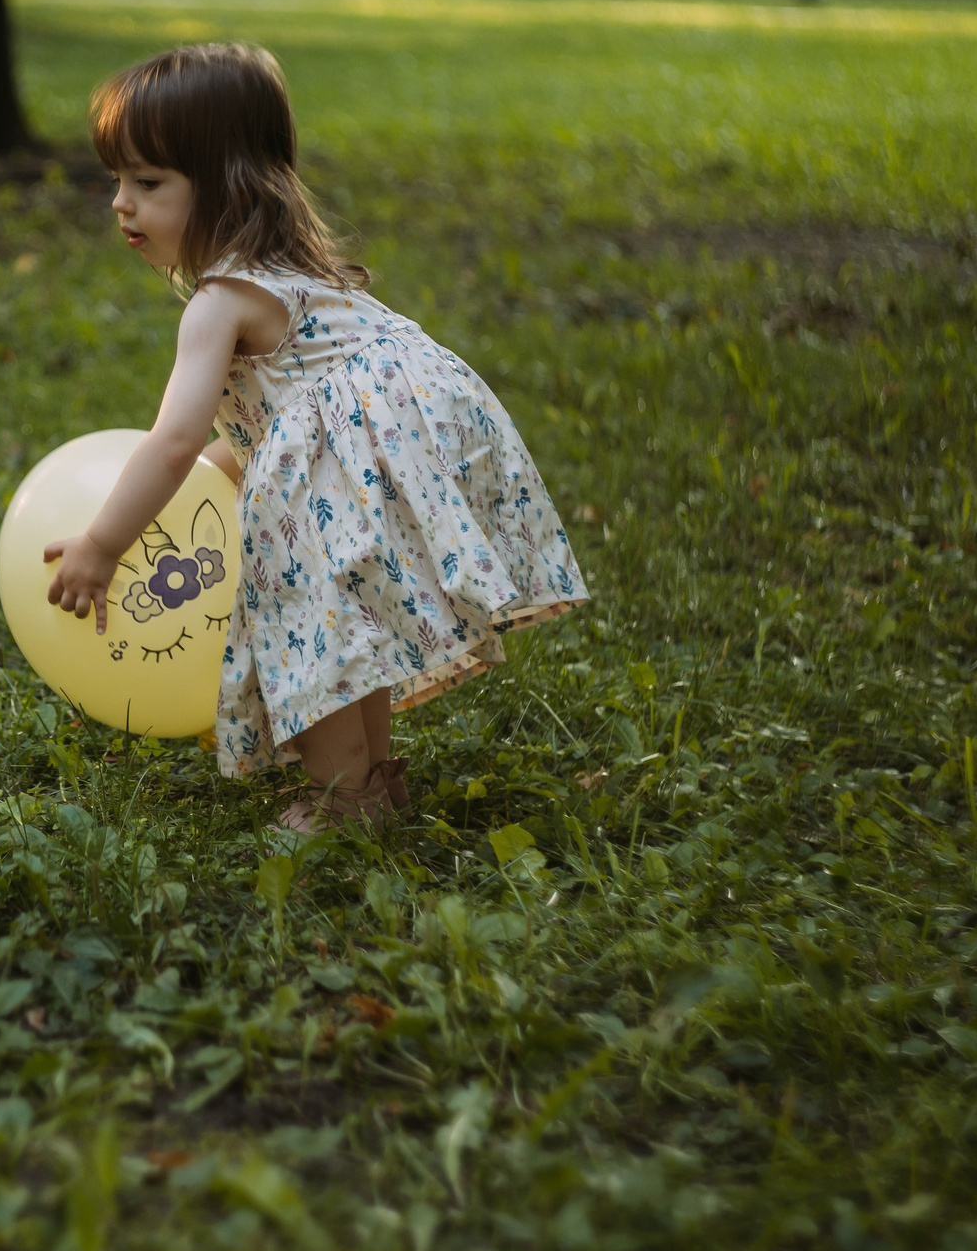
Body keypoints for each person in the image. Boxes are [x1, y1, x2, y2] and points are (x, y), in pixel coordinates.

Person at [44, 43, 590, 831]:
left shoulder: (220, 300)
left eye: (149, 182)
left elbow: (171, 440)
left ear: (227, 182)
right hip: (414, 433)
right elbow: (286, 411)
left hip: (370, 448)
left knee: (314, 622)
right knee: (349, 616)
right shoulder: (291, 265)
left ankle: (345, 803)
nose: (121, 204)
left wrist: (103, 542)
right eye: (119, 180)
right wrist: (212, 474)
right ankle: (373, 782)